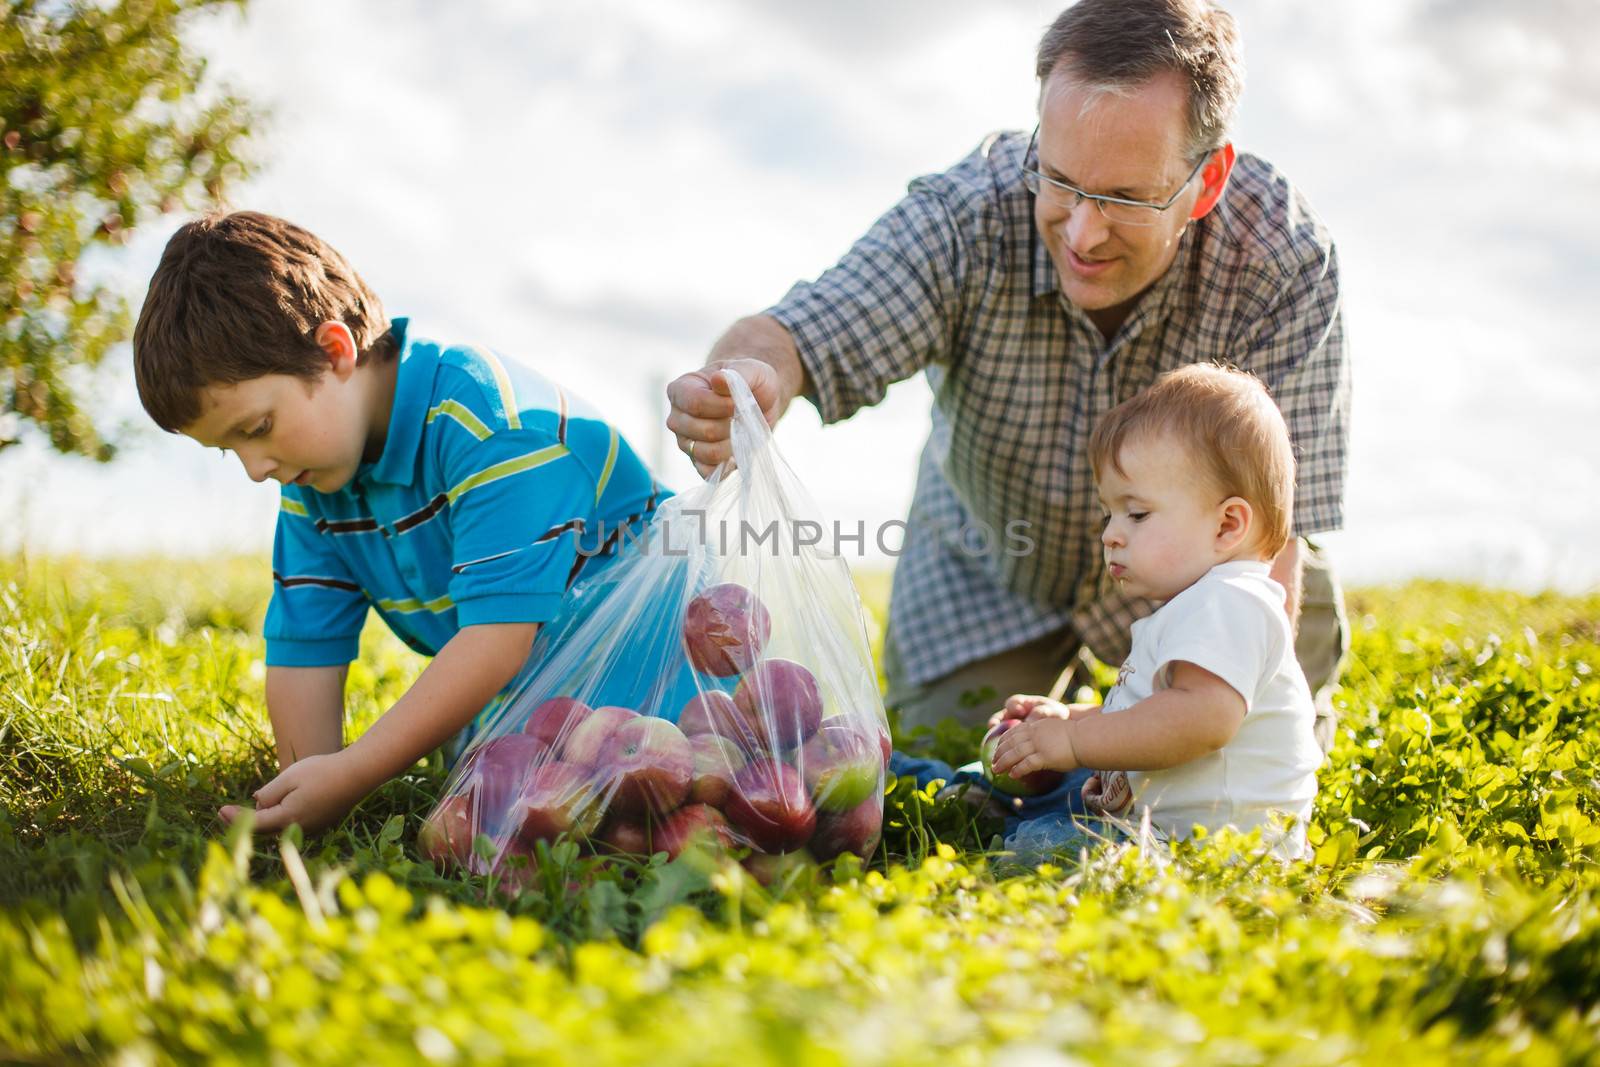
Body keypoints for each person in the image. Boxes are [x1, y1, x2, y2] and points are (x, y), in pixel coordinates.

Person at [665, 0, 1350, 750]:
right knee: (958, 764)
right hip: (985, 573)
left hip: (1208, 581)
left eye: (1124, 198)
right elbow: (798, 332)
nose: (1083, 234)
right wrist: (746, 373)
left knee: (1255, 749)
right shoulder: (967, 218)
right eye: (1058, 180)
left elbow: (1272, 543)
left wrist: (1217, 722)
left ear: (1207, 180)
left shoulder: (1283, 261)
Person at [132, 211, 663, 833]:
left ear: (334, 352)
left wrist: (355, 772)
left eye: (257, 428)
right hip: (543, 721)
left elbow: (497, 640)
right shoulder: (317, 480)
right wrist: (305, 792)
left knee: (627, 826)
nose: (255, 468)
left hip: (670, 693)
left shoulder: (496, 429)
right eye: (230, 448)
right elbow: (306, 649)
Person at [990, 364, 1322, 858]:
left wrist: (1076, 746)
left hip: (1218, 850)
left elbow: (1201, 719)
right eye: (1110, 513)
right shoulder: (1200, 604)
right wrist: (1070, 720)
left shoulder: (1233, 602)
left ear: (1228, 525)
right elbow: (1151, 713)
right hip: (1168, 834)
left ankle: (954, 793)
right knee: (1041, 820)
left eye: (1137, 514)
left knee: (1044, 848)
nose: (1110, 534)